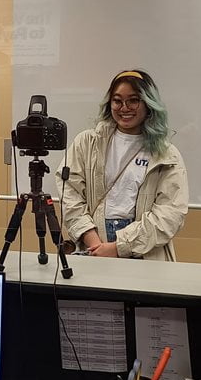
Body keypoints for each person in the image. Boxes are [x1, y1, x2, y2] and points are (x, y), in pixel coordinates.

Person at [56, 70, 188, 261]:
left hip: (144, 249)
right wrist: (93, 240)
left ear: (148, 104)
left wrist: (119, 247)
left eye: (133, 100)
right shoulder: (87, 142)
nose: (124, 108)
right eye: (117, 101)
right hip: (93, 243)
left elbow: (170, 213)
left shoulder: (166, 154)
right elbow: (69, 192)